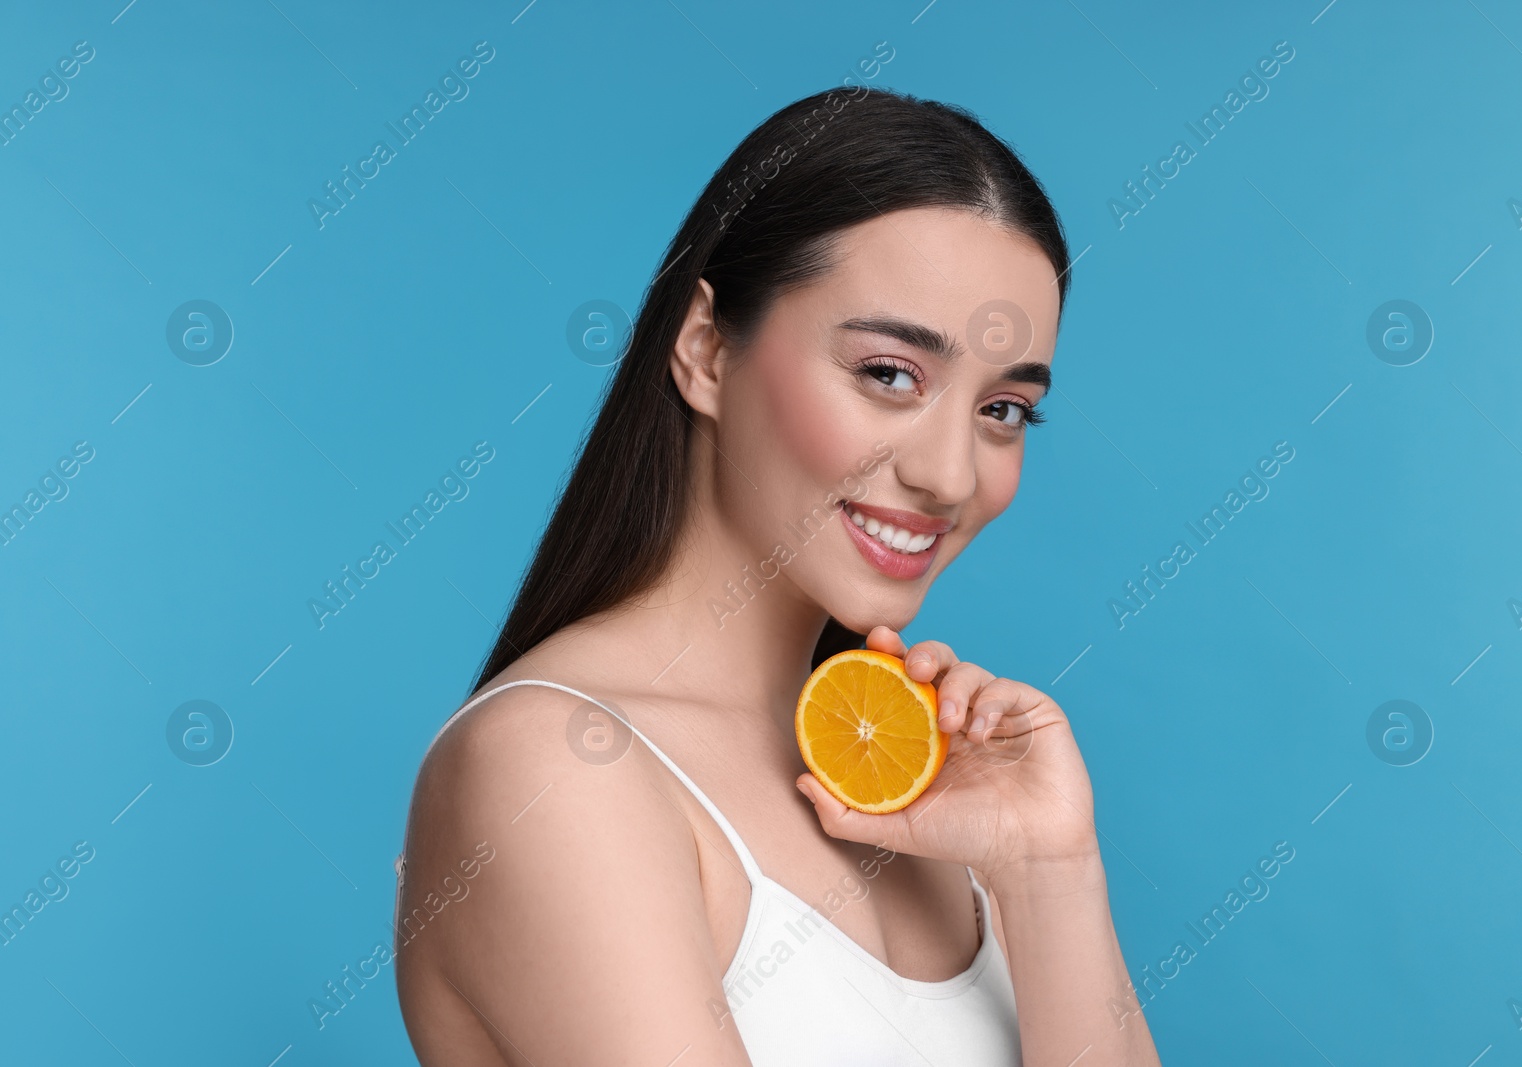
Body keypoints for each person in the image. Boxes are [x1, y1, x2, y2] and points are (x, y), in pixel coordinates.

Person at [394, 85, 1161, 1066]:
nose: (950, 473)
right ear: (706, 349)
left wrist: (1050, 867)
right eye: (889, 373)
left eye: (1003, 409)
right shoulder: (552, 766)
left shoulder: (931, 780)